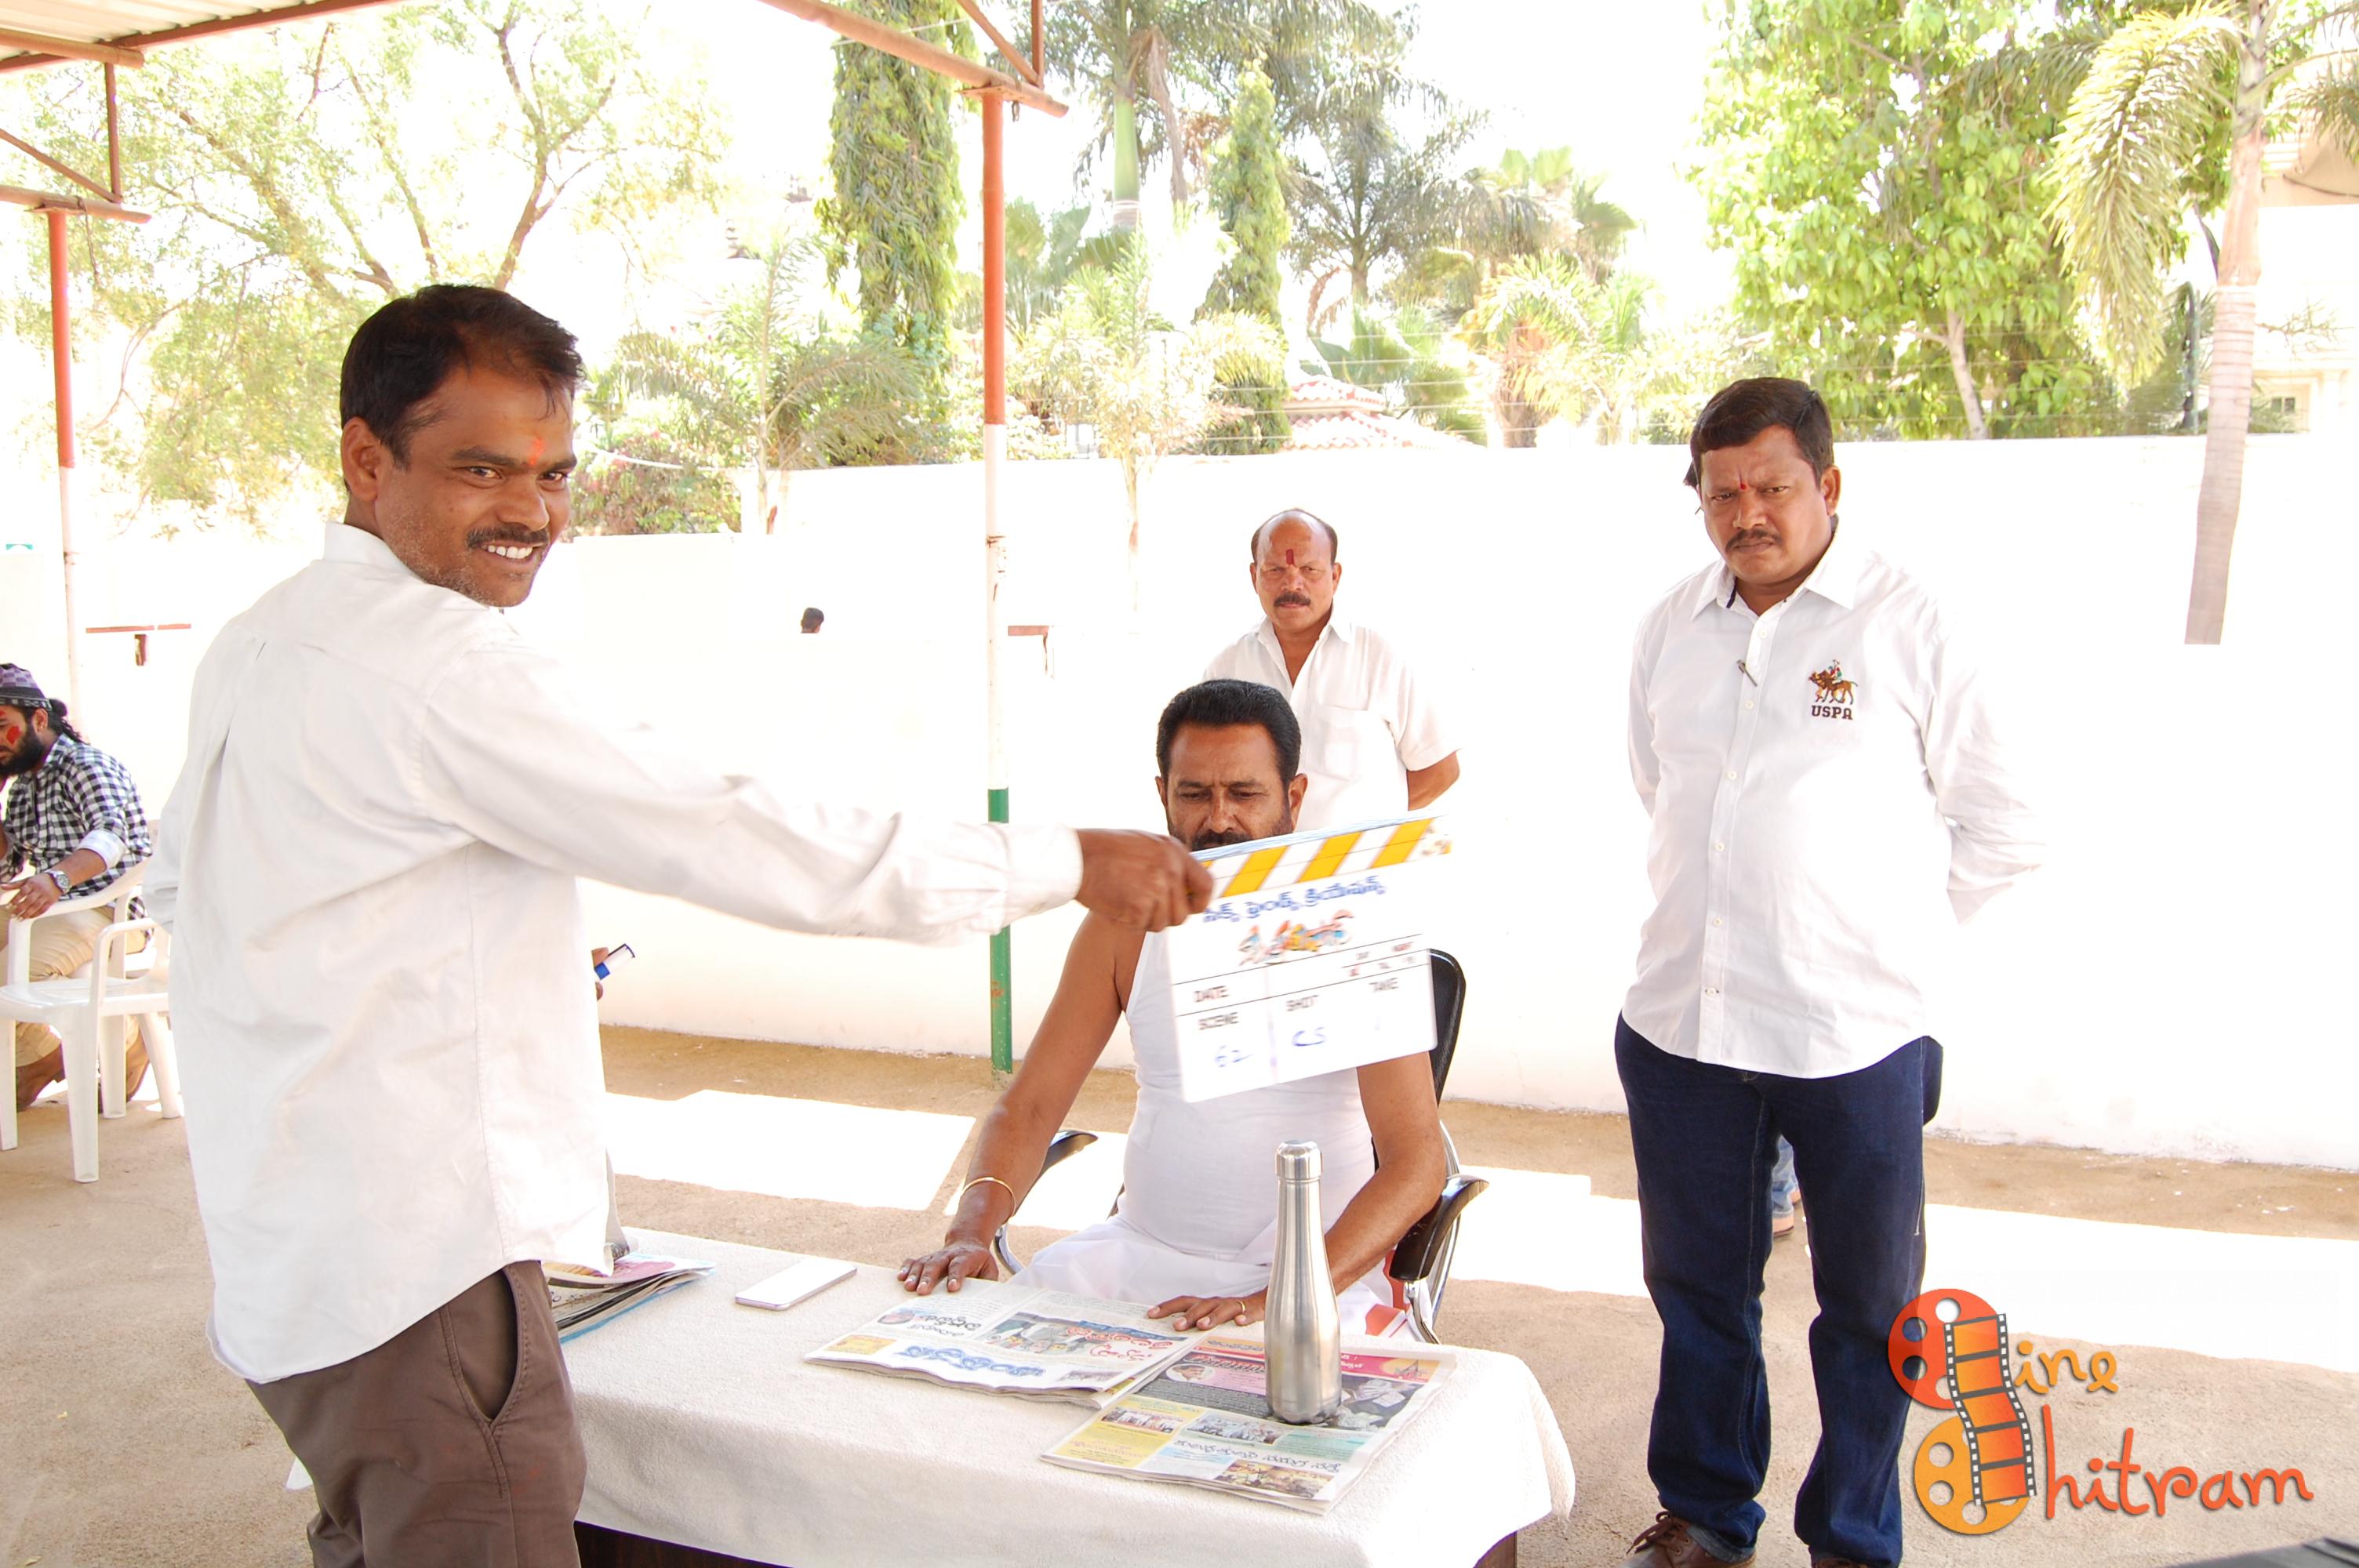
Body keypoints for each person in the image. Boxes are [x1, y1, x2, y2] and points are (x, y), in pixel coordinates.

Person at [147, 283, 1210, 1568]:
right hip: (416, 1278)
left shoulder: (263, 640)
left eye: (553, 472)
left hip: (295, 1268)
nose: (532, 511)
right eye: (483, 469)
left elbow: (193, 904)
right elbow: (735, 836)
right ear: (366, 460)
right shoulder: (439, 667)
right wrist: (1064, 860)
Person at [1614, 379, 2041, 1568]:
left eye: (1772, 486)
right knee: (1698, 1291)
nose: (1746, 513)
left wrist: (1878, 946)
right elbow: (1660, 787)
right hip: (1683, 1028)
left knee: (1867, 1308)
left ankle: (1851, 1537)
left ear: (1829, 485)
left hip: (1854, 1039)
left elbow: (2004, 825)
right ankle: (1707, 1514)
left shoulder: (1910, 623)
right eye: (1721, 493)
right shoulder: (1670, 626)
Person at [898, 677, 1446, 1334]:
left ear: (1294, 798)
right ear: (1163, 795)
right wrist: (970, 1231)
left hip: (1309, 1274)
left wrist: (1278, 1297)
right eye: (1194, 794)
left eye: (1245, 793)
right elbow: (1032, 1104)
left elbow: (1417, 1163)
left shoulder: (1356, 923)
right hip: (1136, 1255)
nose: (1218, 819)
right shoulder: (1123, 926)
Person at [1203, 509, 1459, 831]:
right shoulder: (1226, 671)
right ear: (1254, 576)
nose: (1292, 583)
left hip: (1361, 862)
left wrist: (1369, 828)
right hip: (1260, 861)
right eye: (1275, 570)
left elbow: (1440, 770)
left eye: (1309, 569)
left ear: (1335, 576)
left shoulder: (1380, 658)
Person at [1, 663, 153, 1111]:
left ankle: (107, 1048)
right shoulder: (23, 786)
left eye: (3, 727)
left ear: (38, 719)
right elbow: (10, 863)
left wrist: (57, 878)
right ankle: (49, 1055)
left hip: (110, 910)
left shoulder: (86, 765)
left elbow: (110, 836)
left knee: (8, 973)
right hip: (54, 910)